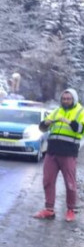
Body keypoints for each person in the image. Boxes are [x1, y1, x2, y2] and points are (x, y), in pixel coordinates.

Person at [33, 89, 84, 222]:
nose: (66, 101)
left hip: (68, 152)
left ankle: (70, 210)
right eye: (64, 98)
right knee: (48, 180)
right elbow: (42, 128)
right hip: (52, 151)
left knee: (70, 183)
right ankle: (49, 209)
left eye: (68, 99)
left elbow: (80, 129)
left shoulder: (80, 111)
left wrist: (69, 121)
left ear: (74, 99)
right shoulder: (56, 111)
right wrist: (46, 123)